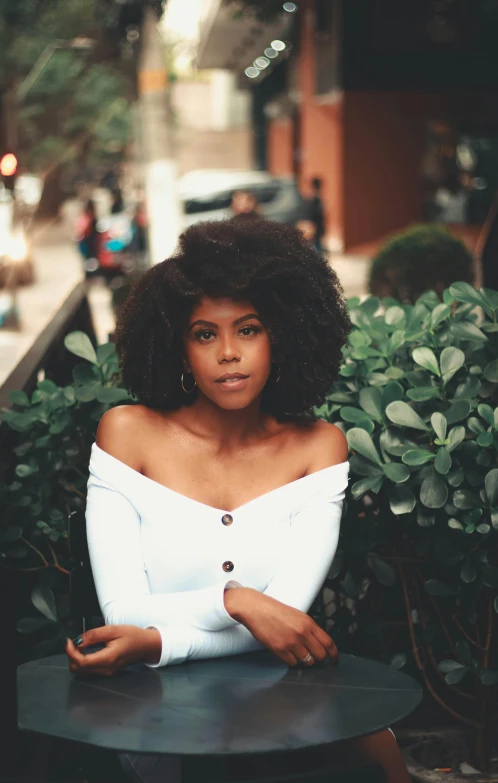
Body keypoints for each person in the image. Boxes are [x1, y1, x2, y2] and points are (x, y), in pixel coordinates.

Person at [65, 218, 412, 783]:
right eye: (205, 334)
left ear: (281, 335)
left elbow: (287, 625)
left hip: (279, 698)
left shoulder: (317, 448)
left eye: (247, 329)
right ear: (179, 348)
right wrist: (237, 602)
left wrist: (158, 641)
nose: (229, 353)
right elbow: (122, 614)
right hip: (160, 711)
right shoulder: (128, 435)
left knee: (379, 749)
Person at [310, 176, 326, 253]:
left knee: (317, 245)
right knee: (317, 246)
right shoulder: (316, 199)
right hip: (316, 226)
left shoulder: (316, 198)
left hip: (317, 226)